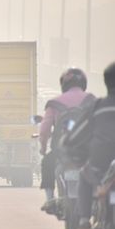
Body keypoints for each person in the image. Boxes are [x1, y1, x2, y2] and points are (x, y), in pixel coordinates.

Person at [67, 62, 115, 229]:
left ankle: (84, 222)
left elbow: (73, 138)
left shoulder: (97, 107)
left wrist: (76, 155)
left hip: (99, 165)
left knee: (84, 175)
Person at [39, 68, 95, 213]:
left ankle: (50, 199)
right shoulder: (92, 100)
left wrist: (43, 148)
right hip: (88, 150)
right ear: (83, 83)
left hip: (61, 151)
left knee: (47, 163)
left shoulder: (54, 103)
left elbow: (44, 129)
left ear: (63, 84)